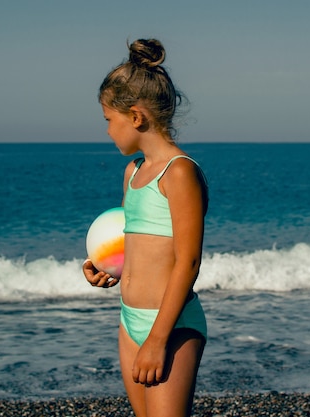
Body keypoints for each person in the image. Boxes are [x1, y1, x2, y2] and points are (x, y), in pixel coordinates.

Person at [82, 38, 209, 417]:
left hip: (170, 327)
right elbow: (133, 246)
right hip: (129, 321)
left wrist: (157, 339)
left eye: (109, 120)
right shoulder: (133, 173)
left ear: (135, 117)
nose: (107, 131)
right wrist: (104, 267)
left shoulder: (179, 172)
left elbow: (187, 262)